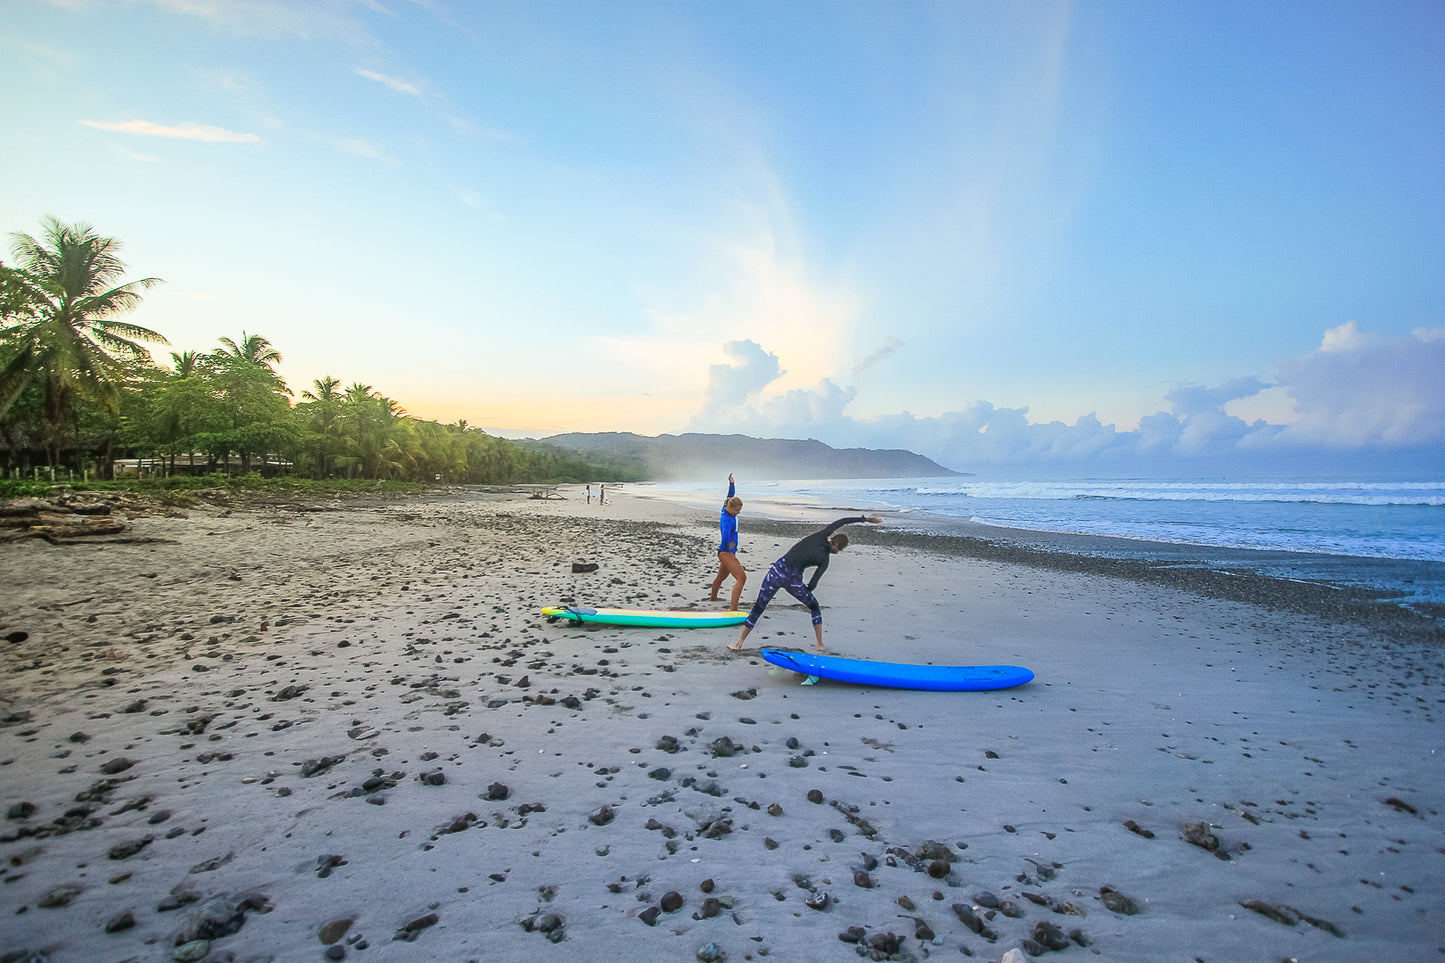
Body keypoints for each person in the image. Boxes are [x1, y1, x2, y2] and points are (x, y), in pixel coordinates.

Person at [729, 513, 882, 653]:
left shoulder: (823, 534)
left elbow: (842, 521)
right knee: (814, 606)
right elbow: (813, 583)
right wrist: (806, 590)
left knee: (759, 607)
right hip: (793, 580)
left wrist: (865, 519)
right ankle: (820, 644)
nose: (837, 552)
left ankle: (739, 643)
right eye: (839, 549)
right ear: (838, 546)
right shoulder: (824, 560)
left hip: (777, 571)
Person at [708, 473, 746, 610]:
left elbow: (731, 496)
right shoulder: (726, 519)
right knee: (742, 578)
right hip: (726, 552)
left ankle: (713, 598)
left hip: (727, 552)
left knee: (721, 577)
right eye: (736, 510)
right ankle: (734, 609)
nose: (738, 512)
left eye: (739, 510)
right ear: (729, 508)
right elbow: (725, 535)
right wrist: (729, 545)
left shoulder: (726, 507)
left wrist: (731, 484)